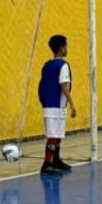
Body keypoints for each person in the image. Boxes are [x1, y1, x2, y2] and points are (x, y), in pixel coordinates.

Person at [37, 35, 77, 174]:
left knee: (57, 133)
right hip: (56, 104)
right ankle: (47, 163)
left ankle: (56, 160)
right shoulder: (63, 65)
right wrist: (72, 103)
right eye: (66, 46)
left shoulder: (47, 65)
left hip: (49, 104)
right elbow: (63, 85)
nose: (67, 49)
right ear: (61, 49)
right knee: (53, 135)